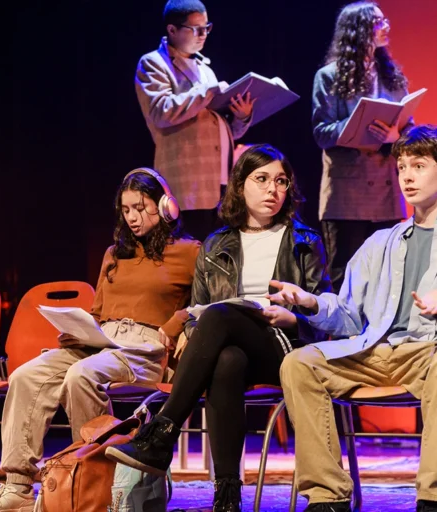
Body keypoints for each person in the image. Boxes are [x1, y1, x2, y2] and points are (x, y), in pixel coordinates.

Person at [272, 125, 437, 512]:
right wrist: (309, 302)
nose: (406, 176)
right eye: (402, 166)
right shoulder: (381, 242)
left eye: (419, 166)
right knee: (298, 363)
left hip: (427, 353)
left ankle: (433, 499)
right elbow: (346, 316)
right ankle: (328, 497)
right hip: (372, 353)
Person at [106, 145, 331, 512]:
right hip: (235, 347)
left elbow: (327, 313)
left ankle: (162, 431)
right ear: (240, 186)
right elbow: (197, 312)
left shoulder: (305, 243)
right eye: (262, 179)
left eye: (281, 181)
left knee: (220, 316)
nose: (273, 189)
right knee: (226, 361)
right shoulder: (216, 244)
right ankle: (227, 496)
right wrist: (192, 330)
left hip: (288, 347)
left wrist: (296, 317)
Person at [0, 169, 201, 512]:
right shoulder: (114, 253)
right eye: (126, 210)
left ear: (167, 206)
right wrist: (79, 330)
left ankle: (94, 482)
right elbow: (100, 313)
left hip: (146, 346)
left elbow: (208, 304)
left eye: (141, 207)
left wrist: (179, 322)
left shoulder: (189, 251)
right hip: (102, 340)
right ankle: (17, 486)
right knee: (26, 376)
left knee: (82, 376)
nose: (133, 217)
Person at [312, 1, 412, 291]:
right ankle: (348, 336)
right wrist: (357, 125)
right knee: (347, 277)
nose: (386, 26)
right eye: (379, 22)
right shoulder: (329, 76)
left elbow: (410, 129)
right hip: (347, 198)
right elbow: (321, 132)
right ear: (359, 30)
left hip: (387, 195)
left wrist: (396, 137)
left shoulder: (391, 77)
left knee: (389, 277)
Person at [136, 0, 256, 242]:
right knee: (192, 252)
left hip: (219, 180)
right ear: (172, 30)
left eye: (206, 27)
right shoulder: (153, 63)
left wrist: (241, 118)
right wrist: (208, 91)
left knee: (218, 254)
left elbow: (217, 127)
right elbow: (161, 111)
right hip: (187, 182)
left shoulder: (204, 68)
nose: (203, 35)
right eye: (196, 28)